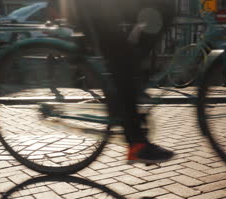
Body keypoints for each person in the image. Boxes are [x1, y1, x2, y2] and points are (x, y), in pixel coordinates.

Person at [47, 0, 175, 164]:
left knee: (163, 8)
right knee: (122, 63)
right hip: (93, 8)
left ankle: (127, 77)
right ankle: (137, 143)